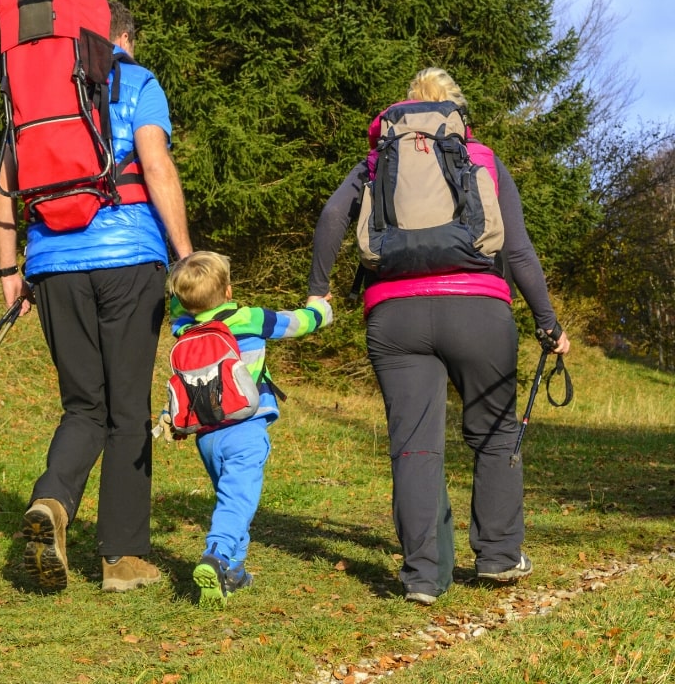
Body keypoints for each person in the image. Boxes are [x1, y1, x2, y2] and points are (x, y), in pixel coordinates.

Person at [307, 67, 570, 605]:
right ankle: (498, 555)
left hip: (394, 314)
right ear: (455, 109)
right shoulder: (482, 158)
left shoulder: (380, 159)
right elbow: (516, 250)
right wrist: (548, 323)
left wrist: (319, 290)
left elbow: (333, 215)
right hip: (478, 311)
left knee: (414, 444)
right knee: (495, 433)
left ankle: (424, 576)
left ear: (407, 109)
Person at [0, 0, 192, 592]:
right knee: (127, 408)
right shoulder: (138, 80)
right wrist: (185, 257)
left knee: (83, 404)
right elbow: (155, 166)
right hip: (129, 258)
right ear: (123, 36)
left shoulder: (36, 93)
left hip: (52, 266)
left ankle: (52, 503)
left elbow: (4, 191)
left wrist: (10, 272)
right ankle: (123, 560)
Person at [168, 251, 333, 607]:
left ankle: (234, 573)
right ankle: (215, 555)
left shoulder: (183, 326)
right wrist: (321, 307)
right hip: (246, 427)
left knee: (232, 500)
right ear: (228, 291)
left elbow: (175, 306)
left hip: (207, 434)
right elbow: (299, 323)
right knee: (238, 500)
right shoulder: (249, 317)